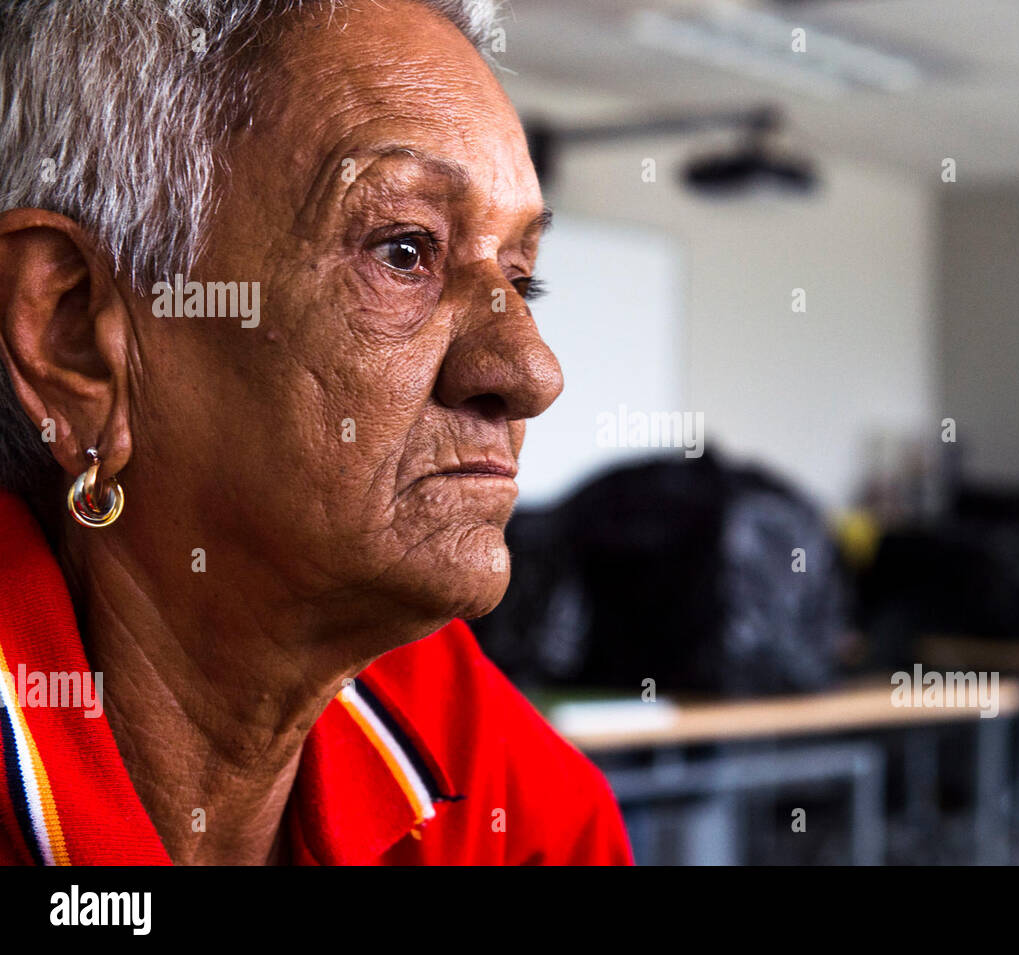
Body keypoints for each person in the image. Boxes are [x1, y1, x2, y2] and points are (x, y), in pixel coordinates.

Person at [0, 0, 632, 865]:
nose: (531, 372)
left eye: (524, 280)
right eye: (405, 250)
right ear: (77, 335)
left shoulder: (504, 795)